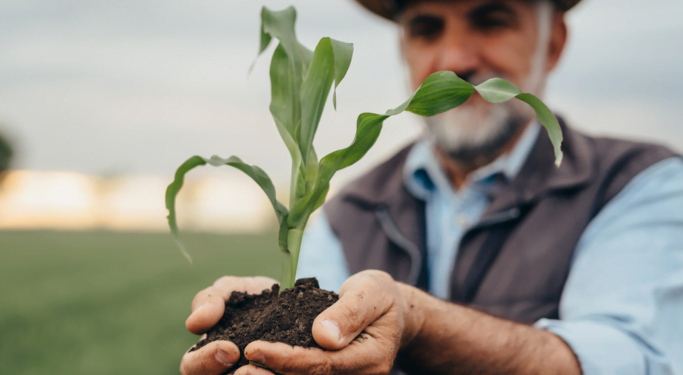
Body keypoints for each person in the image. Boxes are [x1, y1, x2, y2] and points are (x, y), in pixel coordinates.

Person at [180, 0, 683, 374]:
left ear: (551, 45)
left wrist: (417, 322)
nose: (456, 59)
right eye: (426, 28)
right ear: (404, 49)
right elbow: (319, 344)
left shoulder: (638, 183)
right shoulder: (347, 212)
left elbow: (631, 357)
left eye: (491, 19)